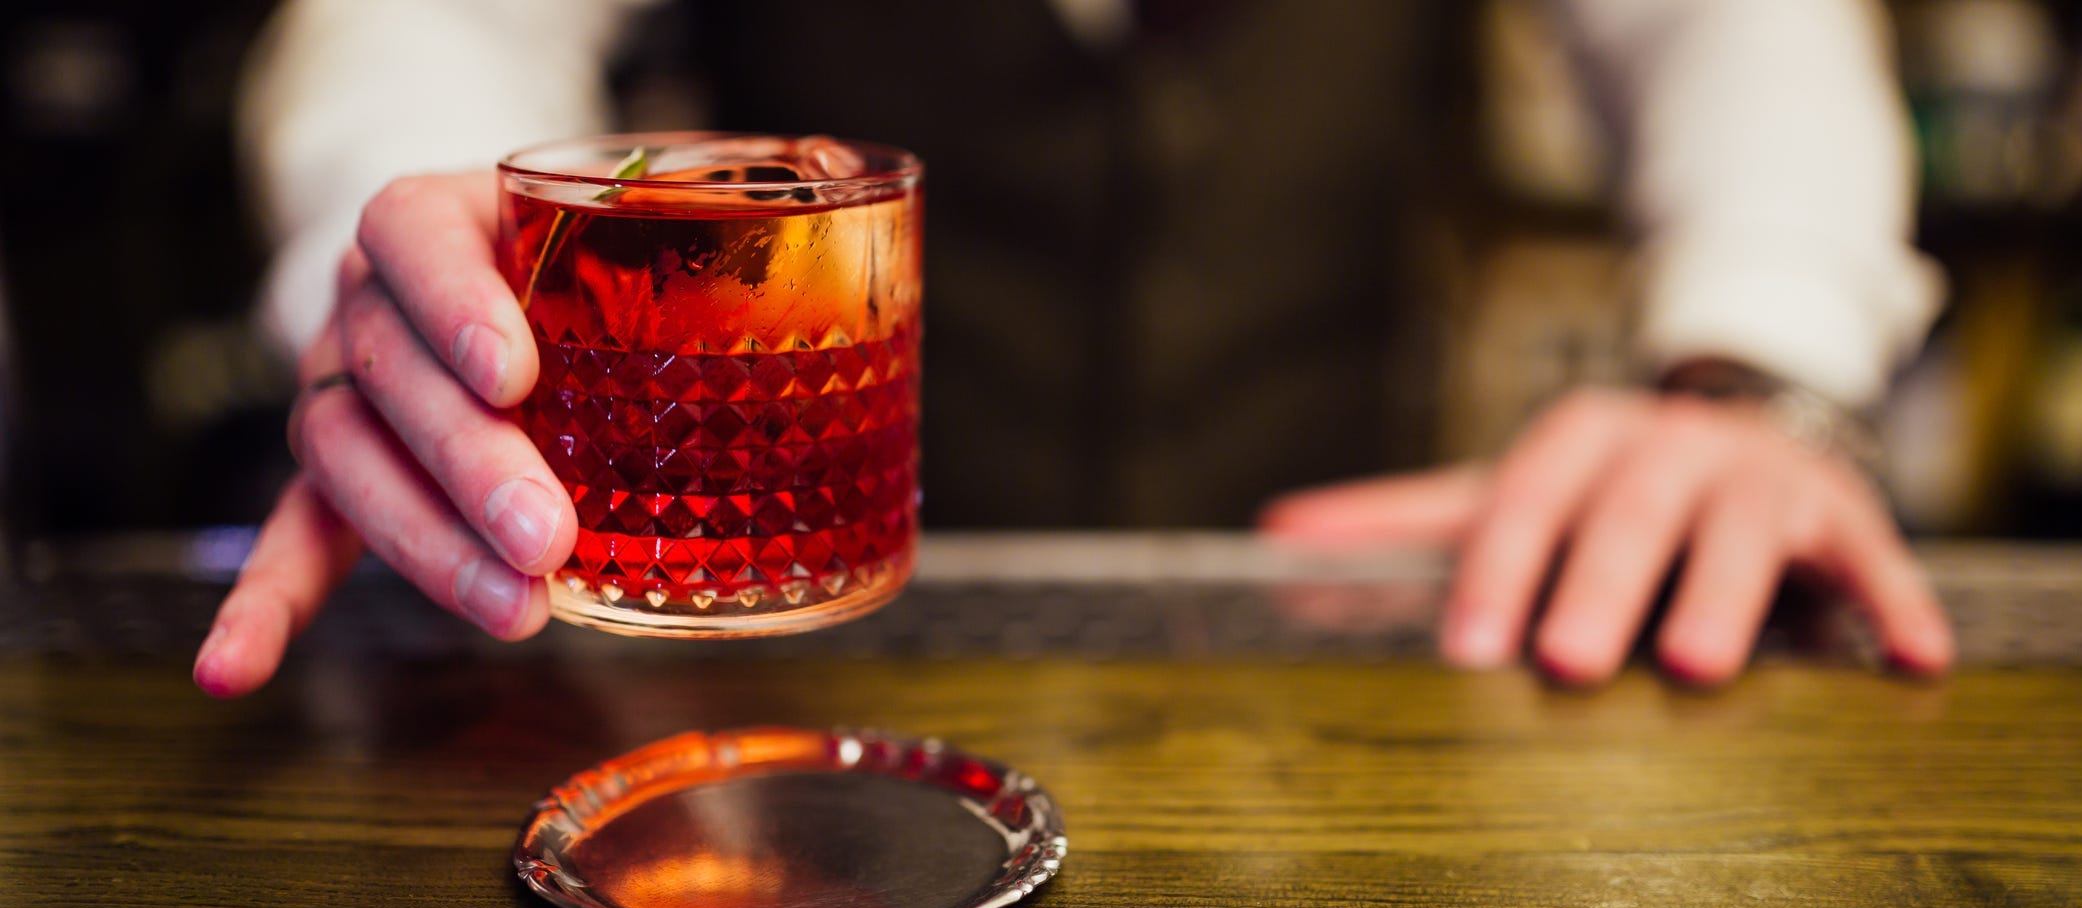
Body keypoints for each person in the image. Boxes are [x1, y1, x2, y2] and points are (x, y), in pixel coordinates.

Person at [192, 0, 1957, 697]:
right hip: (783, 703)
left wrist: (1750, 372)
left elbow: (1748, 36)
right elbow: (422, 28)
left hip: (1342, 681)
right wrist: (427, 276)